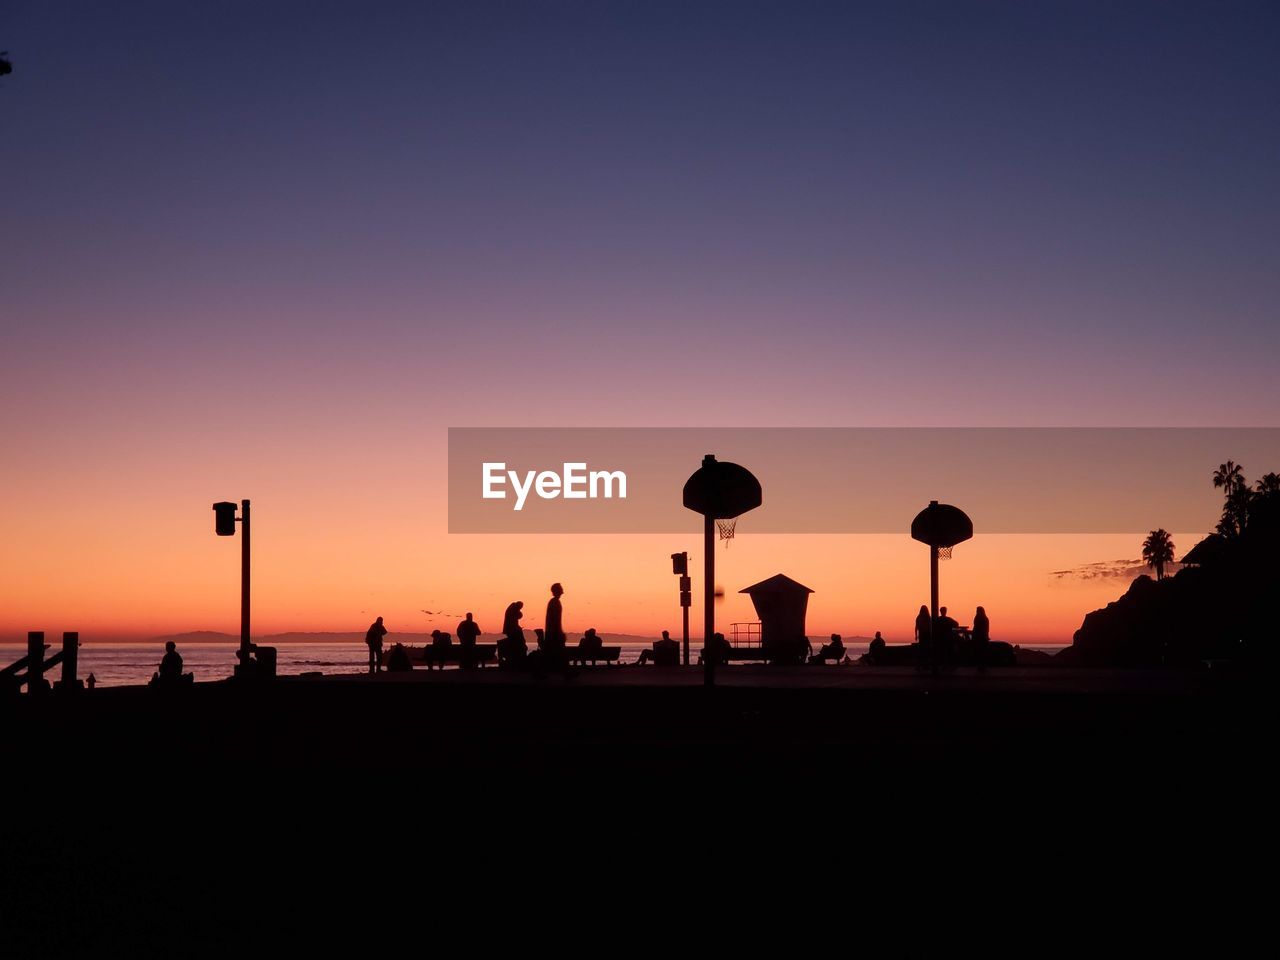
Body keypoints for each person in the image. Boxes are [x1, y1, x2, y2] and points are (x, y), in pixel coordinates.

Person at [498, 601, 527, 667]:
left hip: (512, 629)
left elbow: (515, 620)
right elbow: (515, 619)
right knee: (518, 642)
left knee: (519, 642)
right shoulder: (513, 609)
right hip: (512, 630)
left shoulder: (512, 608)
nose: (520, 609)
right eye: (520, 608)